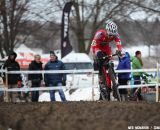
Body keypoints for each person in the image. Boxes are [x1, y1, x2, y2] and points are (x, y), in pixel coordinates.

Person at [91, 19, 123, 97]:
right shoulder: (99, 34)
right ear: (107, 31)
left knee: (110, 62)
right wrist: (95, 55)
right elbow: (93, 46)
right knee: (100, 59)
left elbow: (118, 43)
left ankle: (114, 80)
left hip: (106, 48)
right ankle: (101, 79)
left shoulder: (115, 34)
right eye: (110, 35)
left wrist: (120, 50)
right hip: (97, 47)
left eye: (113, 35)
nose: (112, 36)